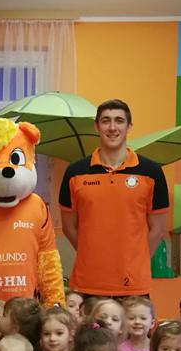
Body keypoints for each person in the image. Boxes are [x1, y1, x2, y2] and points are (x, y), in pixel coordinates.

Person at [59, 99, 169, 297]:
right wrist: (91, 254)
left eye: (119, 120)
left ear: (129, 126)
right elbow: (68, 227)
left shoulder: (152, 172)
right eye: (105, 121)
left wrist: (136, 260)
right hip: (88, 283)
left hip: (134, 285)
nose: (112, 127)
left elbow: (158, 229)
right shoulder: (75, 172)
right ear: (96, 126)